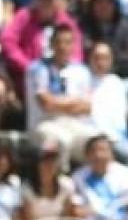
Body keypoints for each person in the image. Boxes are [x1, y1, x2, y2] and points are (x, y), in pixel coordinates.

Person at [25, 16, 93, 161]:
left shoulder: (82, 71)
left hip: (74, 123)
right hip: (43, 124)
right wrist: (73, 102)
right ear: (51, 44)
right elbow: (46, 104)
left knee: (93, 141)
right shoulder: (37, 68)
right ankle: (59, 181)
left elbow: (86, 107)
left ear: (73, 45)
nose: (63, 46)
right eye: (58, 42)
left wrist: (57, 103)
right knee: (61, 141)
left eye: (67, 42)